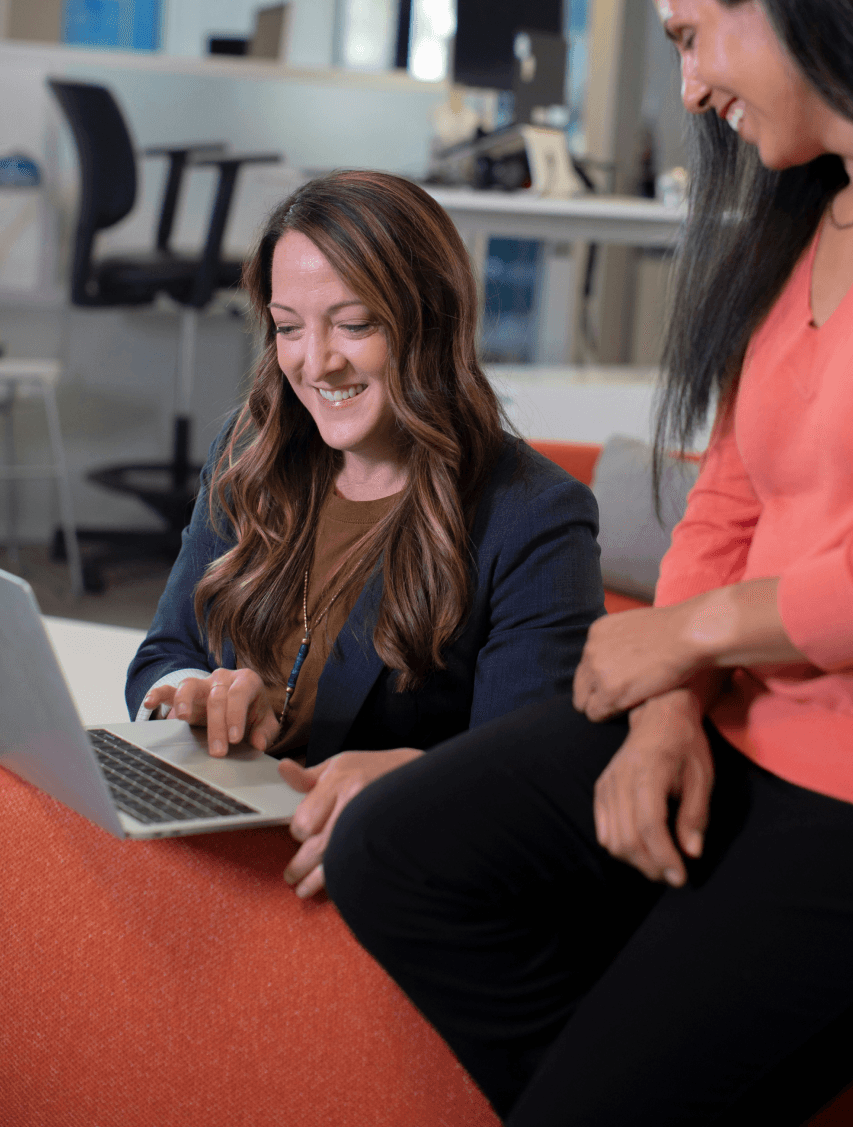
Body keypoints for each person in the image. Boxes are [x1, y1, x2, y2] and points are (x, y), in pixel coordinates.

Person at [321, 0, 853, 1124]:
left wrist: (686, 636)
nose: (686, 94)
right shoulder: (814, 214)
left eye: (688, 37)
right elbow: (728, 496)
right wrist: (671, 701)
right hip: (743, 726)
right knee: (395, 851)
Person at [126, 170, 603, 897]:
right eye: (289, 327)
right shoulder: (248, 450)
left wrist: (410, 778)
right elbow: (165, 652)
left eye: (354, 324)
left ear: (429, 322)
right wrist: (190, 692)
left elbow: (531, 774)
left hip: (364, 868)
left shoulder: (532, 514)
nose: (315, 363)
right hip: (212, 832)